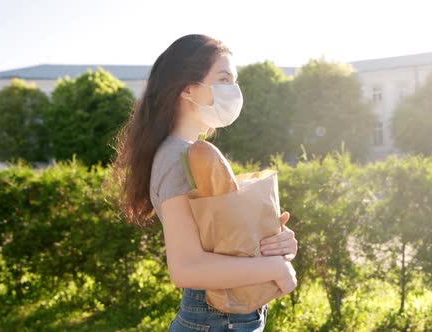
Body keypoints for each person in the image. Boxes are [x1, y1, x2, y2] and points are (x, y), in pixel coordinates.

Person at [110, 34, 298, 331]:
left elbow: (219, 241)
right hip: (216, 321)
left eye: (234, 81)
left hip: (225, 319)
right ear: (187, 88)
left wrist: (277, 243)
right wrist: (274, 267)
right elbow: (186, 268)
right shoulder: (176, 157)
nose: (233, 90)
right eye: (223, 79)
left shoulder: (190, 152)